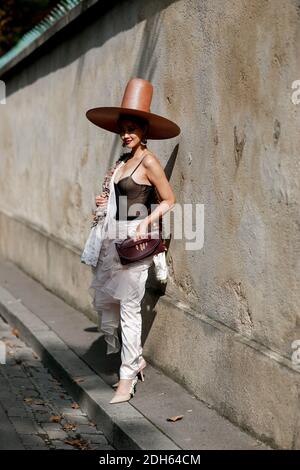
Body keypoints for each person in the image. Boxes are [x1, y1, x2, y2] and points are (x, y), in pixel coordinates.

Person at [84, 78, 180, 403]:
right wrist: (104, 203)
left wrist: (147, 223)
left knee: (129, 308)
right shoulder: (122, 162)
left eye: (133, 128)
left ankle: (126, 379)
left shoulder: (148, 161)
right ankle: (136, 359)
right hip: (114, 240)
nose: (126, 134)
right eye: (123, 128)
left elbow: (168, 199)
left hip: (136, 242)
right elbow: (119, 201)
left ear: (144, 131)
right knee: (115, 303)